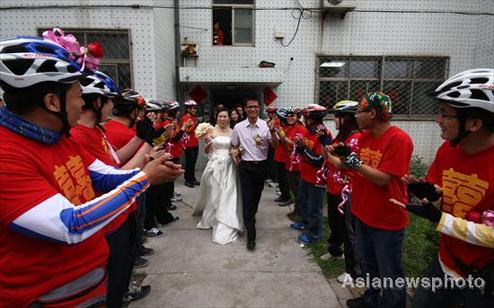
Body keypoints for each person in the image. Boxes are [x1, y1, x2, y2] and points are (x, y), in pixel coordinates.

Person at [0, 36, 183, 306]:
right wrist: (145, 178)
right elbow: (69, 224)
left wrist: (150, 170)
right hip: (48, 298)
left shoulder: (60, 138)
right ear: (52, 101)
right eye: (78, 98)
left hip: (88, 283)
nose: (81, 105)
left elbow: (106, 175)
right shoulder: (7, 154)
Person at [390, 69, 494, 308]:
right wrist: (432, 197)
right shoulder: (447, 150)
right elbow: (441, 201)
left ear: (475, 123)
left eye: (445, 114)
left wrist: (441, 219)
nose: (438, 120)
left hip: (484, 279)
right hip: (445, 262)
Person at [70, 74, 158, 305]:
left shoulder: (97, 131)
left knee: (125, 263)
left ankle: (122, 294)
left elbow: (115, 160)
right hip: (109, 215)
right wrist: (147, 151)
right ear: (98, 103)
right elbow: (115, 176)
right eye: (110, 101)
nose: (113, 107)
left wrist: (140, 139)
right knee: (116, 272)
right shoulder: (79, 136)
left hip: (120, 209)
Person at [339, 92, 413, 308]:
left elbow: (382, 179)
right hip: (363, 214)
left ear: (372, 113)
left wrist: (354, 163)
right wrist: (340, 156)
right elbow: (354, 169)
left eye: (358, 112)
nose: (355, 116)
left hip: (386, 220)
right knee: (368, 264)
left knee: (389, 271)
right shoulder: (364, 137)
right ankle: (371, 299)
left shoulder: (399, 139)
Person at [320, 100, 361, 285]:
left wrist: (331, 154)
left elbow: (343, 165)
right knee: (335, 224)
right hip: (334, 187)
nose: (335, 120)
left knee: (349, 232)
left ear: (347, 118)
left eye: (337, 116)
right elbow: (325, 157)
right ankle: (335, 250)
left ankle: (353, 271)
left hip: (347, 190)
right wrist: (324, 143)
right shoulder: (340, 137)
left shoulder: (356, 138)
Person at [231, 98, 277, 251]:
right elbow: (234, 145)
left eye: (255, 107)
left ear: (259, 109)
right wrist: (235, 154)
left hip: (261, 166)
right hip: (245, 166)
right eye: (250, 107)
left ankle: (251, 216)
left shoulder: (266, 126)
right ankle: (251, 235)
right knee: (247, 198)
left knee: (256, 197)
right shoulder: (238, 127)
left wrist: (272, 131)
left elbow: (275, 145)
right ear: (245, 109)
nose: (252, 109)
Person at [193, 107, 243, 244]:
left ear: (229, 118)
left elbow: (234, 148)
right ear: (217, 117)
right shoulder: (211, 131)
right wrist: (208, 144)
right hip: (214, 164)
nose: (222, 118)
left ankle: (226, 218)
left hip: (228, 165)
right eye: (220, 116)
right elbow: (207, 150)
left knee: (227, 192)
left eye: (225, 116)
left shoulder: (233, 132)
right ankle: (212, 217)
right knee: (214, 192)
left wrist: (235, 153)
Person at [289, 104, 331, 245]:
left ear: (313, 119)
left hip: (316, 178)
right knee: (302, 201)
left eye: (306, 117)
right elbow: (306, 147)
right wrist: (299, 145)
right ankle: (305, 223)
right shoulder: (309, 132)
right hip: (305, 174)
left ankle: (314, 233)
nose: (304, 120)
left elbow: (318, 160)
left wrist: (303, 151)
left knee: (314, 207)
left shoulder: (323, 134)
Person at [182, 99, 200, 187]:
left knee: (193, 162)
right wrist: (195, 125)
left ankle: (192, 179)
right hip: (188, 143)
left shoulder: (194, 117)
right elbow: (187, 131)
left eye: (195, 108)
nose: (195, 110)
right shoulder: (185, 117)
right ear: (188, 109)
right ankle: (187, 180)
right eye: (193, 108)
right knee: (189, 162)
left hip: (195, 142)